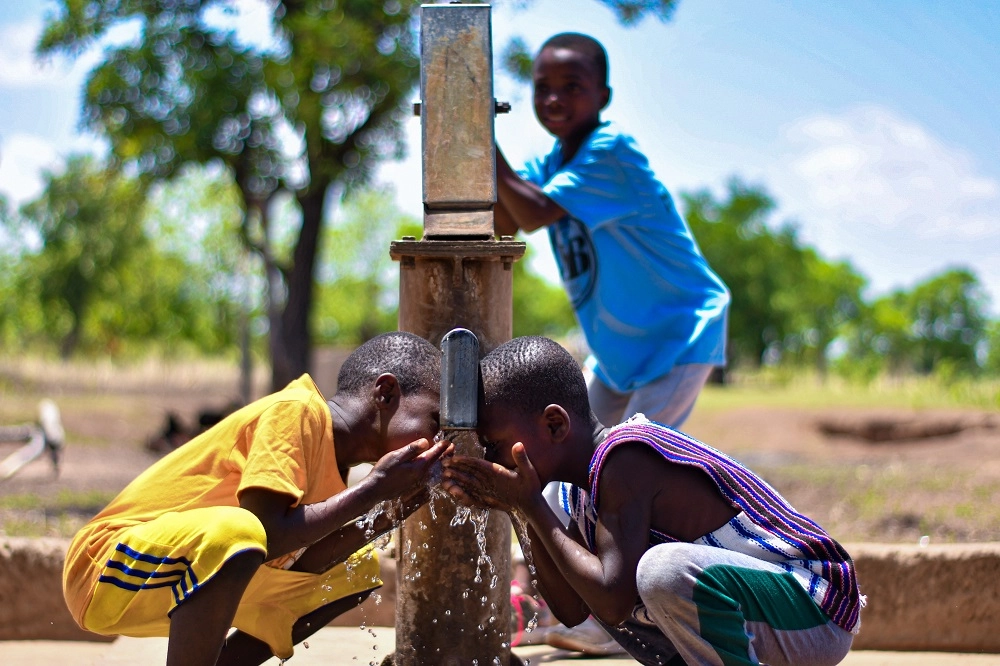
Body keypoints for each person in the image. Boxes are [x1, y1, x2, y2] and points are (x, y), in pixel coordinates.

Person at [495, 31, 731, 653]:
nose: (554, 98)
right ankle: (542, 603)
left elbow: (531, 212)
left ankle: (613, 619)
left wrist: (475, 139)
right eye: (543, 87)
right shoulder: (555, 164)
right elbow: (502, 215)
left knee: (628, 474)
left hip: (678, 337)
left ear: (604, 95)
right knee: (552, 469)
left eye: (572, 87)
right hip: (620, 355)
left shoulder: (609, 151)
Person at [442, 336, 864, 666]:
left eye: (494, 445)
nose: (490, 459)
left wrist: (533, 504)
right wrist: (520, 508)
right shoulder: (578, 493)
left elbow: (611, 598)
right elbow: (573, 607)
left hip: (813, 606)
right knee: (621, 584)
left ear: (555, 424)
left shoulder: (626, 458)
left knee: (658, 573)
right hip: (768, 615)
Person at [63, 331, 450, 666]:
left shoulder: (334, 469)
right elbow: (266, 533)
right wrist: (374, 489)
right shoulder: (296, 411)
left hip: (169, 576)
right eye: (435, 421)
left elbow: (299, 554)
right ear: (385, 393)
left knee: (353, 572)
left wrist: (390, 512)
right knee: (242, 530)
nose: (438, 440)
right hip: (104, 564)